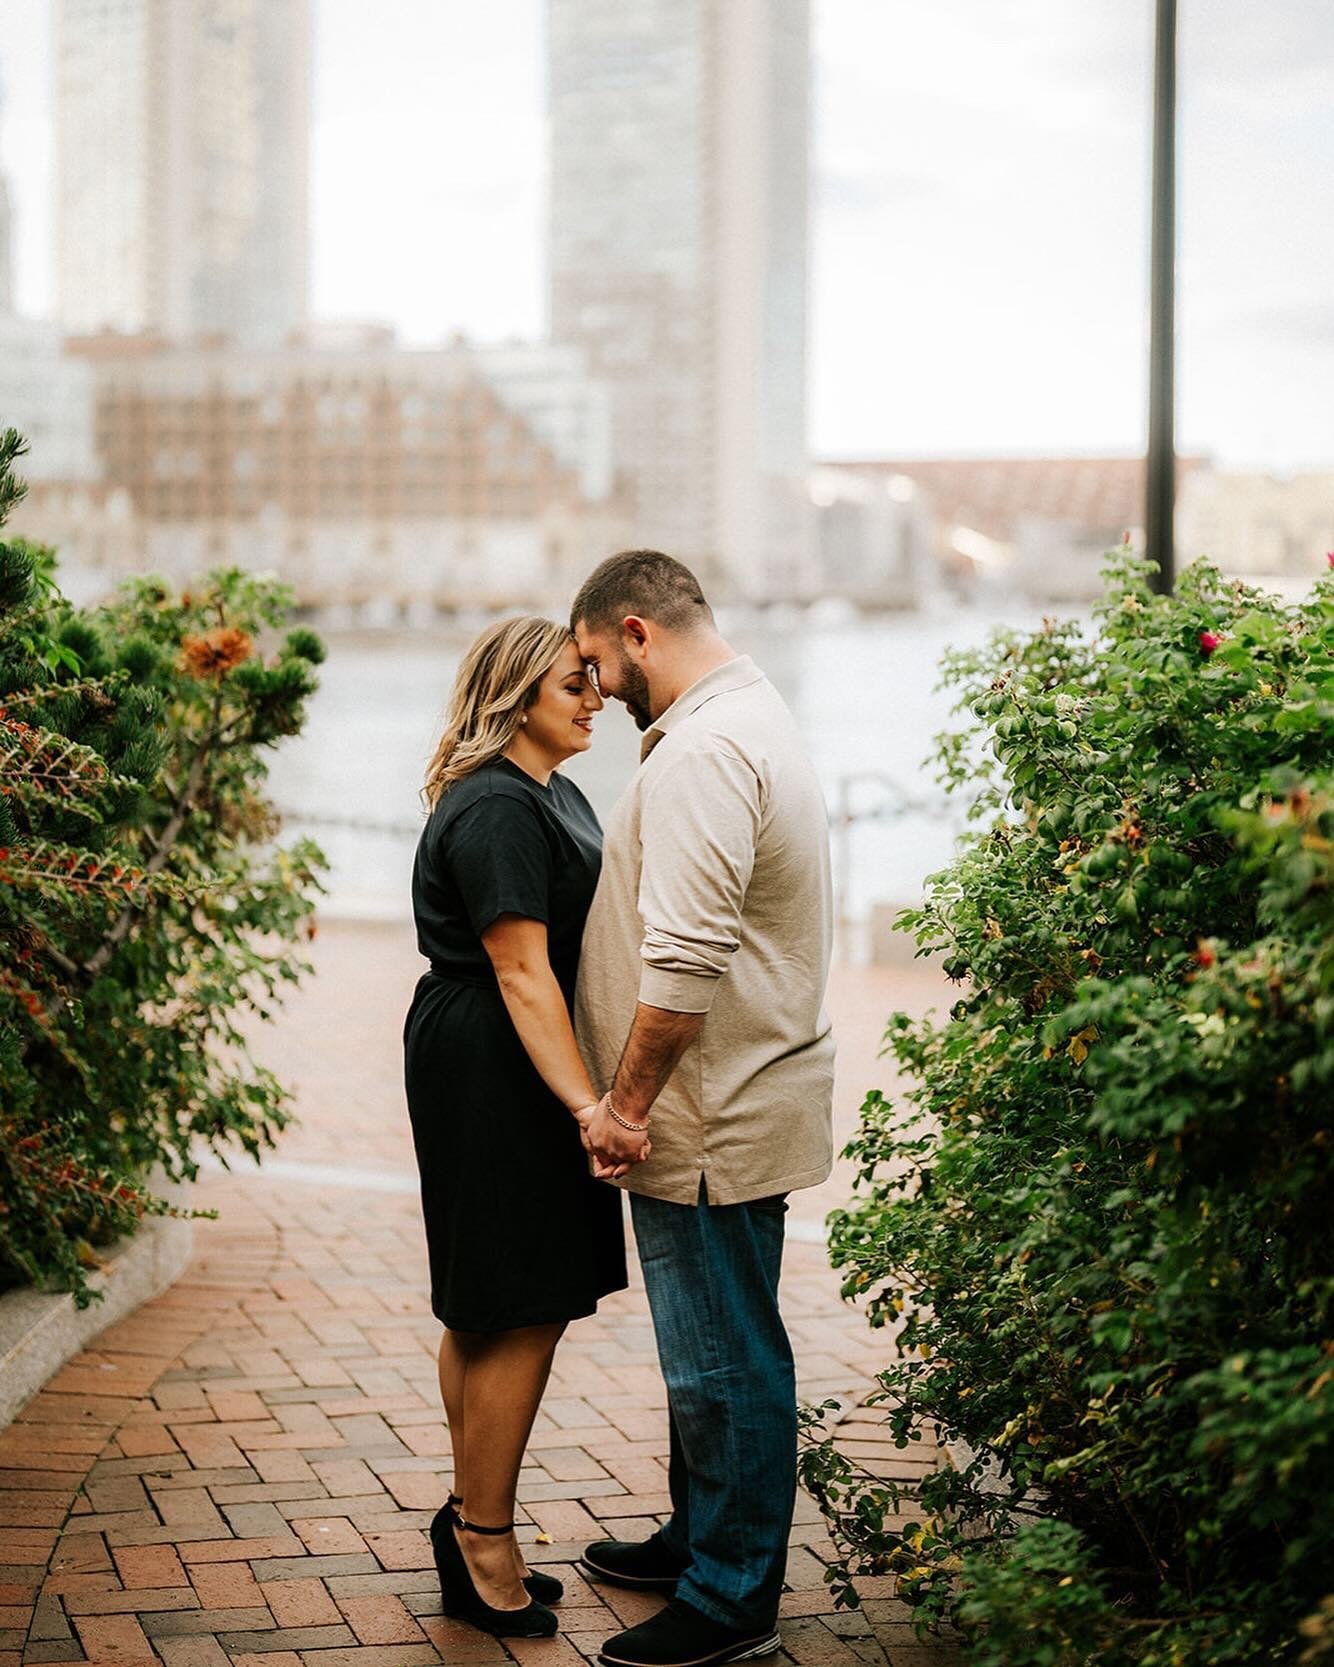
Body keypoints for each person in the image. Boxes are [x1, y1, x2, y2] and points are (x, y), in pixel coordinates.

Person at [570, 551, 836, 1667]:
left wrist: (625, 1107)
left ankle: (731, 1595)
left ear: (636, 632)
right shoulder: (740, 715)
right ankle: (698, 1536)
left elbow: (682, 960)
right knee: (710, 1347)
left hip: (706, 1111)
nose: (591, 690)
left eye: (592, 662)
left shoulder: (706, 752)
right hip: (726, 1096)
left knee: (723, 1358)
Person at [403, 616, 632, 1639]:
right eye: (570, 684)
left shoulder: (552, 790)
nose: (593, 697)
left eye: (591, 681)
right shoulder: (497, 800)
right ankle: (483, 1537)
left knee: (490, 1301)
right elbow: (518, 966)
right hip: (496, 1055)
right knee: (518, 1300)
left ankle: (467, 1521)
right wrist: (589, 1103)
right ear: (513, 698)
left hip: (498, 1047)